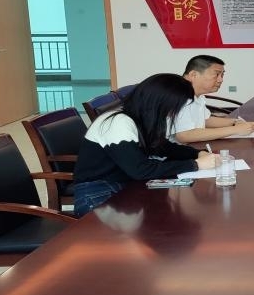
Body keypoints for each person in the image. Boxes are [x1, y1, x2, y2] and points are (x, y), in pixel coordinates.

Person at [72, 73, 220, 217]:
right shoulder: (118, 123)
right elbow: (140, 170)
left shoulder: (141, 118)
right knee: (157, 223)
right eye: (174, 108)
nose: (174, 114)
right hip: (97, 193)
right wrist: (195, 164)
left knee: (165, 217)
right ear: (159, 103)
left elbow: (162, 147)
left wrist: (197, 153)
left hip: (126, 185)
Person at [171, 55, 254, 143]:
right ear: (193, 75)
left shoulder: (197, 95)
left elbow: (205, 120)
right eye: (216, 74)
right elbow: (184, 135)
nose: (221, 80)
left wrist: (236, 123)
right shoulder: (178, 95)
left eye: (222, 75)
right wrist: (235, 129)